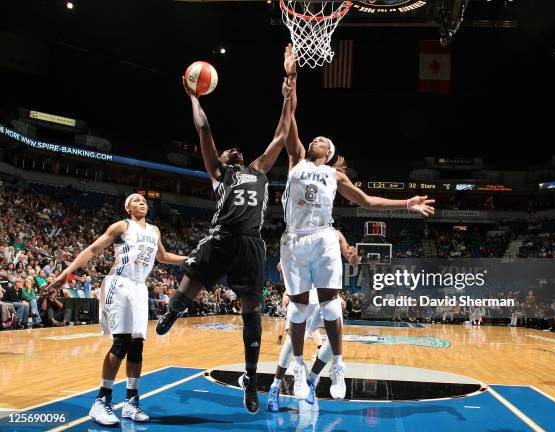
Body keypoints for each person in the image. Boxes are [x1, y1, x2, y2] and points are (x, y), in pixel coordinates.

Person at [281, 44, 436, 400]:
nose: (315, 139)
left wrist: (408, 202)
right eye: (314, 138)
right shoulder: (295, 161)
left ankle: (338, 365)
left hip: (322, 237)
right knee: (300, 308)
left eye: (323, 140)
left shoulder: (336, 177)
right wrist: (291, 76)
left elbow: (368, 201)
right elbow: (289, 119)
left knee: (332, 302)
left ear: (330, 154)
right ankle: (299, 364)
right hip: (292, 240)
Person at [155, 66, 295, 414]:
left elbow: (281, 135)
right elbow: (203, 128)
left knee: (253, 313)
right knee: (193, 278)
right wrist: (193, 98)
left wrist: (288, 94)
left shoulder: (260, 169)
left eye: (234, 151)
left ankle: (250, 381)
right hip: (223, 236)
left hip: (250, 242)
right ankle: (173, 311)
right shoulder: (220, 174)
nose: (230, 152)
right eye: (225, 152)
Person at [47, 193, 187, 426]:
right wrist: (65, 274)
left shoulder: (154, 231)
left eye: (144, 202)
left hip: (140, 288)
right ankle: (102, 400)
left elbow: (163, 257)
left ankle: (131, 402)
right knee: (121, 342)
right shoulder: (122, 226)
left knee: (137, 346)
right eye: (136, 201)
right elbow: (92, 249)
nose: (142, 203)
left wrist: (189, 258)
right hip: (119, 284)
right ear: (128, 208)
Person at [268, 229, 358, 412]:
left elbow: (349, 259)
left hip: (326, 297)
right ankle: (275, 388)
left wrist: (354, 257)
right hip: (305, 297)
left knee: (334, 344)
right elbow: (283, 265)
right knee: (290, 345)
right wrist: (287, 290)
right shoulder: (300, 229)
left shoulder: (336, 234)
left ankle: (312, 380)